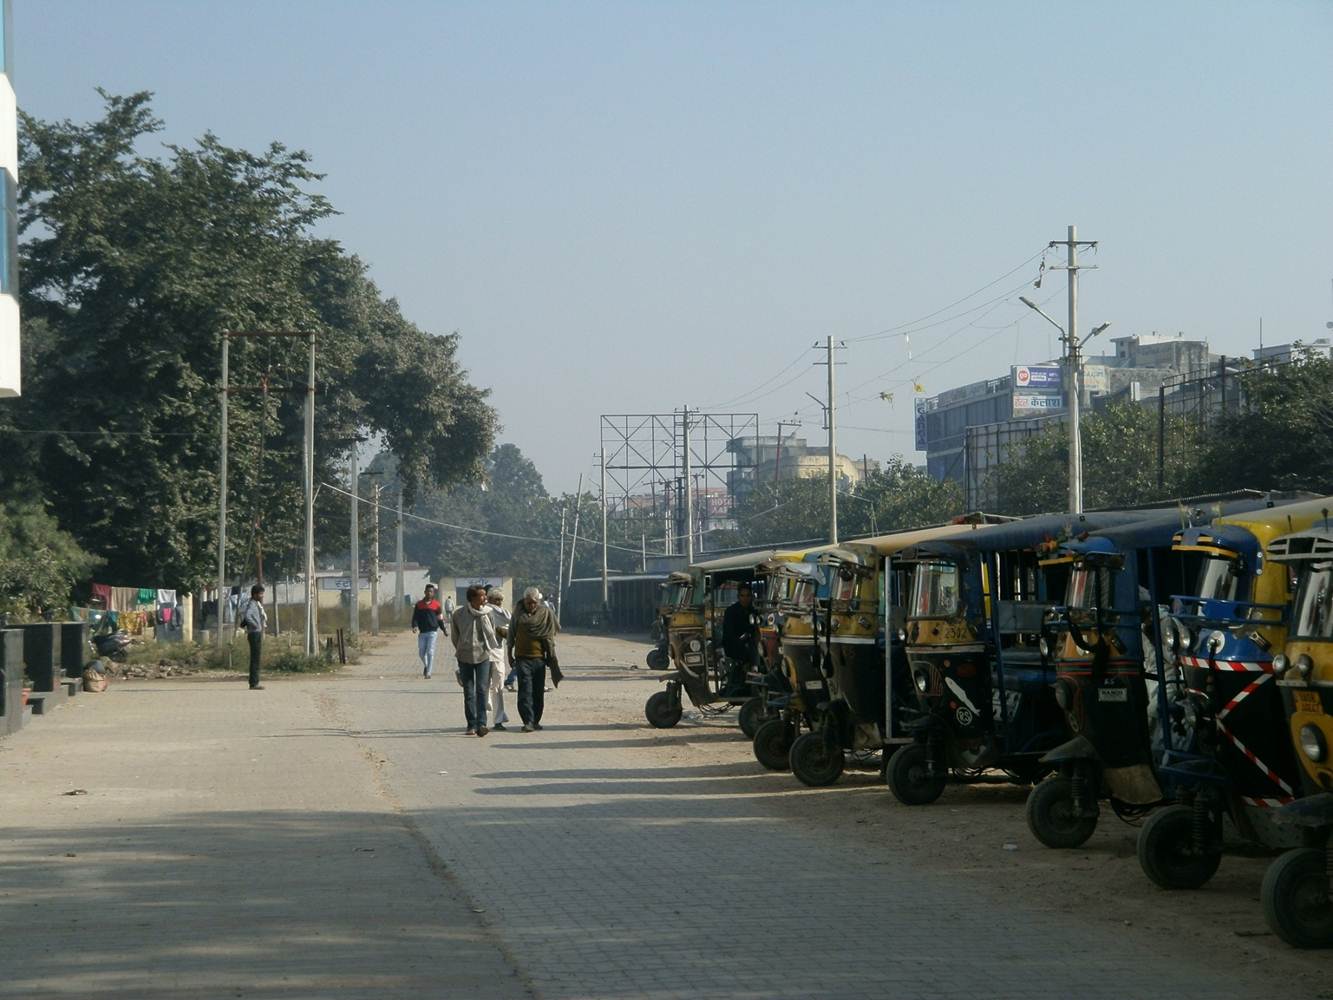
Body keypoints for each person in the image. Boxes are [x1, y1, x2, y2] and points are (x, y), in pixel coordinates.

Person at [450, 584, 499, 736]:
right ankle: (471, 724)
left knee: (482, 690)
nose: (485, 598)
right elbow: (455, 636)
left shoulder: (488, 613)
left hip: (483, 655)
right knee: (469, 691)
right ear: (472, 598)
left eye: (485, 595)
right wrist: (461, 647)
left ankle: (482, 724)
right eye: (482, 595)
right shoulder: (459, 614)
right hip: (464, 656)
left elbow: (492, 632)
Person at [509, 587, 558, 732]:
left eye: (534, 603)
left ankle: (536, 720)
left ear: (538, 602)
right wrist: (509, 655)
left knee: (537, 691)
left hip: (539, 659)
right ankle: (527, 721)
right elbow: (511, 634)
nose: (531, 606)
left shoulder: (545, 613)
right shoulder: (518, 613)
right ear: (524, 601)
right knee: (525, 691)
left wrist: (551, 656)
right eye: (528, 603)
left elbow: (549, 636)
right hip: (522, 658)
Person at [721, 583, 759, 696]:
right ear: (738, 596)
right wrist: (743, 640)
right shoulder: (731, 611)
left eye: (747, 595)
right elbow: (729, 634)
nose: (745, 598)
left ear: (751, 597)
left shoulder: (754, 611)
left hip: (750, 645)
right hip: (733, 646)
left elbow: (757, 629)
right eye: (742, 595)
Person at [485, 588, 512, 730]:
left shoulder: (485, 609)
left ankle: (495, 718)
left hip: (494, 655)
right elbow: (509, 618)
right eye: (497, 600)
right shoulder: (490, 609)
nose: (499, 603)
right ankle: (496, 719)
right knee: (495, 688)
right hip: (490, 655)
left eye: (501, 600)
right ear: (489, 599)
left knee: (493, 687)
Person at [411, 583, 448, 679]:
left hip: (433, 632)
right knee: (421, 653)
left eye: (431, 591)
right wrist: (414, 626)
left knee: (430, 652)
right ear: (424, 592)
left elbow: (440, 619)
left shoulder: (437, 605)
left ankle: (429, 673)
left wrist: (444, 630)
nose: (429, 593)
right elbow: (415, 617)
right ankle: (426, 665)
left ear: (433, 593)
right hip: (422, 632)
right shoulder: (419, 605)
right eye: (427, 591)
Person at [234, 584, 267, 691]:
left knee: (255, 659)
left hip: (254, 633)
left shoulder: (254, 603)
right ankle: (254, 683)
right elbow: (248, 616)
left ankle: (254, 682)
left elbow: (245, 619)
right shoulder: (252, 604)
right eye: (261, 594)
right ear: (255, 594)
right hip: (254, 633)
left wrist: (244, 625)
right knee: (255, 659)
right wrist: (255, 625)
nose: (262, 596)